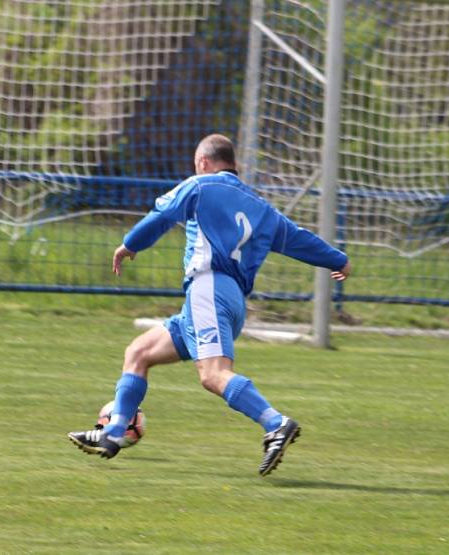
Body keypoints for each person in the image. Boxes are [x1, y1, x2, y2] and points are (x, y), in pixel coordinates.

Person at [68, 133, 351, 476]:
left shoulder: (199, 186)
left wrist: (130, 244)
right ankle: (112, 433)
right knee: (139, 352)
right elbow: (298, 239)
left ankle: (275, 423)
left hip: (208, 288)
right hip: (230, 302)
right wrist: (337, 259)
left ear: (203, 162)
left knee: (213, 375)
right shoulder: (262, 208)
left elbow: (162, 214)